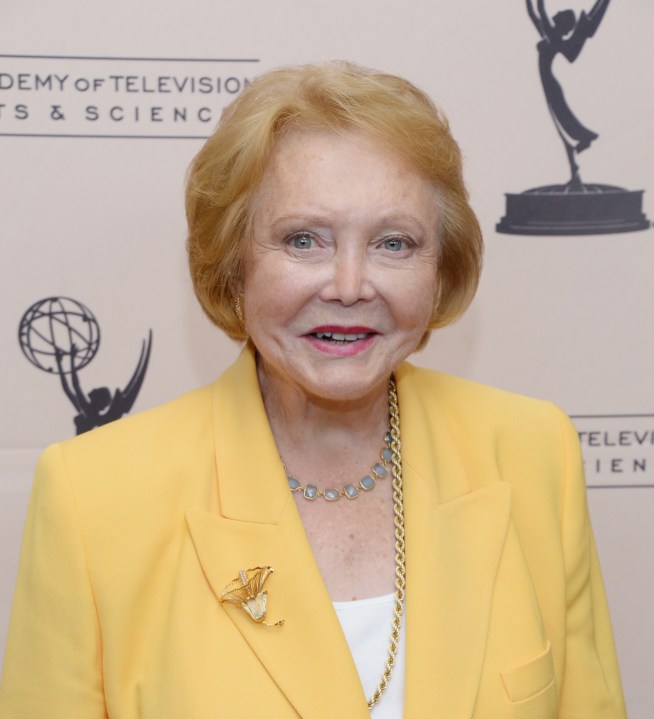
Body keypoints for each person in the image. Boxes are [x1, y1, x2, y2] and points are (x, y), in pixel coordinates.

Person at [0, 62, 626, 718]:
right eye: (304, 239)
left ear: (441, 267)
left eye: (393, 242)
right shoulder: (93, 496)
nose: (350, 285)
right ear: (234, 262)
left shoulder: (533, 452)